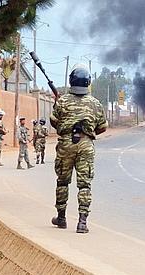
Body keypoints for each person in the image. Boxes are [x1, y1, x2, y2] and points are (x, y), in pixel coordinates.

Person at [50, 64, 108, 233]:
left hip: (66, 144)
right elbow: (103, 127)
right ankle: (82, 223)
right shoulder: (95, 103)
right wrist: (90, 132)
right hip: (86, 145)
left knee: (62, 182)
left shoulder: (62, 101)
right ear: (88, 82)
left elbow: (54, 121)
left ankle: (61, 218)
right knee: (85, 185)